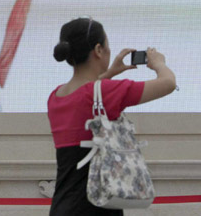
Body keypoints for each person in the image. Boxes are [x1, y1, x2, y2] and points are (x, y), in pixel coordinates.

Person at [47, 17, 176, 215]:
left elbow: (85, 94)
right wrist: (159, 63)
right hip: (97, 207)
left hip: (62, 206)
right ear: (98, 50)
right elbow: (168, 83)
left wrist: (108, 73)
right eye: (107, 45)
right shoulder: (106, 91)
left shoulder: (56, 97)